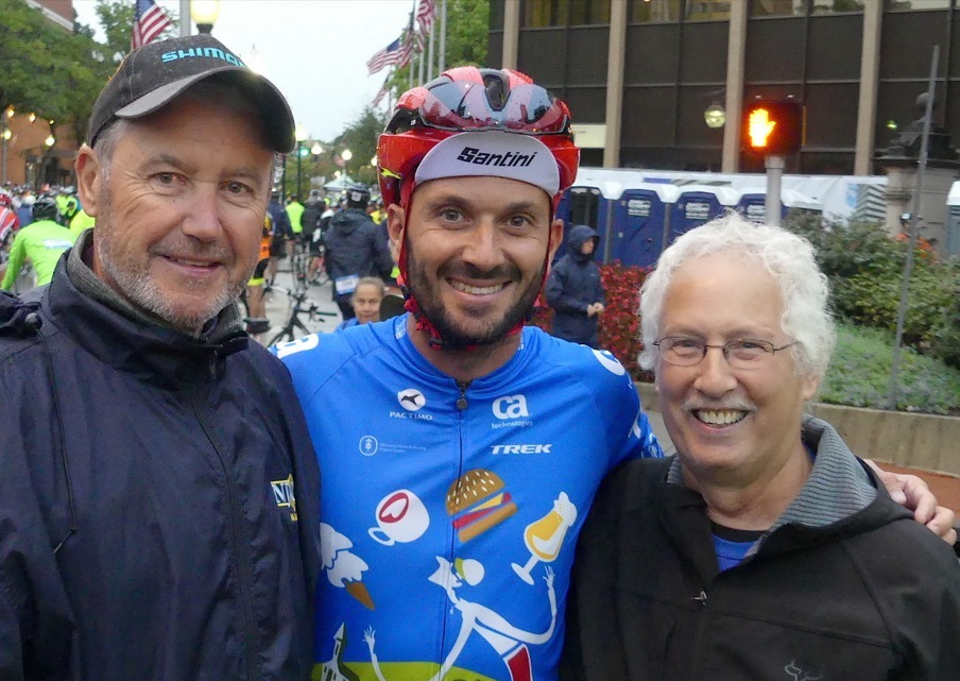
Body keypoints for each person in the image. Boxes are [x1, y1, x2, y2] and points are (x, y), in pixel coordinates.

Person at [0, 34, 321, 680]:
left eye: (236, 186)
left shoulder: (270, 387)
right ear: (92, 181)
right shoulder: (14, 401)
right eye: (168, 177)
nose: (205, 222)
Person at [561, 213, 960, 681]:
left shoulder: (915, 581)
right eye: (686, 344)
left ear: (811, 368)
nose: (712, 380)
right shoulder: (602, 518)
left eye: (748, 346)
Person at [322, 184, 393, 320]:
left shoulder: (334, 226)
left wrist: (334, 275)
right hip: (367, 289)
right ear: (366, 204)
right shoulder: (372, 229)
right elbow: (385, 260)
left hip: (341, 287)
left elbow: (328, 256)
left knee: (348, 325)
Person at [545, 224, 605, 348]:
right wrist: (582, 307)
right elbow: (553, 297)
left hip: (590, 335)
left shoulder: (592, 268)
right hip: (566, 334)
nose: (591, 245)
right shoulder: (562, 268)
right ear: (578, 243)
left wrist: (600, 303)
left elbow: (599, 291)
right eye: (587, 241)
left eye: (593, 241)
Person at [0, 195, 77, 290]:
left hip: (48, 288)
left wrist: (3, 290)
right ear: (56, 215)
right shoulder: (70, 233)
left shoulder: (24, 233)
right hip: (76, 290)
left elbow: (13, 266)